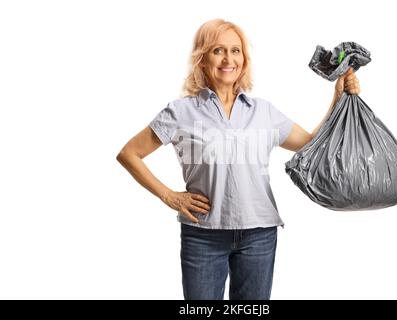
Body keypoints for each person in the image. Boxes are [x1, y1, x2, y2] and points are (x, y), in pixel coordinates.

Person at [116, 18, 360, 300]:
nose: (228, 59)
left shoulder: (264, 112)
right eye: (218, 50)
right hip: (203, 235)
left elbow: (311, 144)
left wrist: (338, 97)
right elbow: (129, 154)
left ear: (244, 59)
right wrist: (169, 197)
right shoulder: (180, 112)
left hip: (259, 234)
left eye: (235, 50)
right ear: (202, 58)